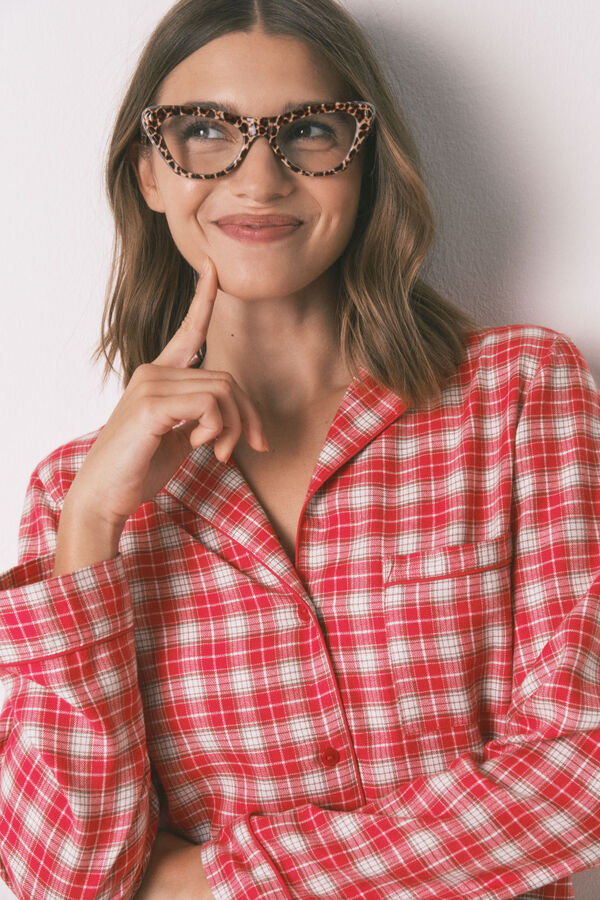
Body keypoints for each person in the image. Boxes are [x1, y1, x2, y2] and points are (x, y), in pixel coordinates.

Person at [1, 0, 599, 898]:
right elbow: (66, 878)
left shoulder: (517, 396)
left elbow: (577, 774)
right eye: (205, 130)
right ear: (149, 174)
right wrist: (91, 525)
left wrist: (209, 884)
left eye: (310, 130)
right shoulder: (76, 491)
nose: (260, 176)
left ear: (366, 162)